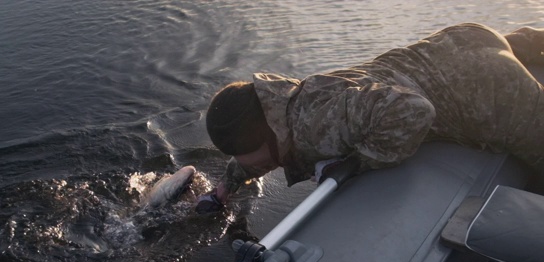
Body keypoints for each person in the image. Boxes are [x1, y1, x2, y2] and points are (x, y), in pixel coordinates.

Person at [195, 23, 544, 214]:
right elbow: (256, 150)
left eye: (244, 154)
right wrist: (224, 189)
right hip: (464, 39)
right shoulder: (285, 98)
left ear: (267, 132)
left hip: (490, 89)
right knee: (508, 47)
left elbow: (415, 111)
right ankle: (528, 40)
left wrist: (359, 161)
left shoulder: (318, 129)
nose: (242, 160)